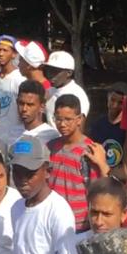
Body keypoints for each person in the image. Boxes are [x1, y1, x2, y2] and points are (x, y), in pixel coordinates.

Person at [47, 94, 108, 231]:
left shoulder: (90, 151)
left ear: (79, 119)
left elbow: (96, 191)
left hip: (80, 225)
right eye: (58, 119)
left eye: (68, 119)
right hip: (52, 221)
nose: (62, 124)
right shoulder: (50, 148)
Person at [0, 34, 25, 149]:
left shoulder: (20, 79)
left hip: (15, 138)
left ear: (13, 54)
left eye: (5, 50)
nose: (0, 53)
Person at [87, 81, 127, 177]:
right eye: (112, 100)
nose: (114, 105)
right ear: (108, 98)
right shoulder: (97, 125)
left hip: (119, 178)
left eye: (120, 103)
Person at [43, 50, 89, 124]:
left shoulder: (77, 94)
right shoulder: (49, 91)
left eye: (55, 71)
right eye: (49, 70)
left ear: (69, 73)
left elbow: (79, 126)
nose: (50, 74)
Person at [15, 79, 58, 146]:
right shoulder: (11, 133)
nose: (24, 109)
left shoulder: (51, 136)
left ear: (42, 106)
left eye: (30, 105)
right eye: (21, 103)